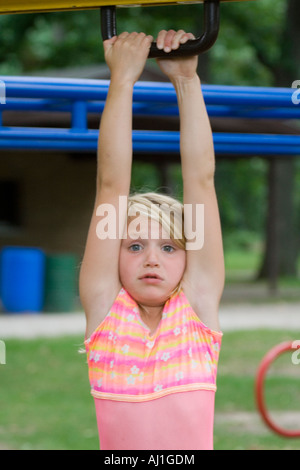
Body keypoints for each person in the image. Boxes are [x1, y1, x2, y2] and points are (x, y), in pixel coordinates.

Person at [80, 29, 225, 450]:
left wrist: (186, 80)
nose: (151, 260)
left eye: (168, 247)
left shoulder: (195, 310)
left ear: (187, 258)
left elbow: (200, 178)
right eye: (135, 245)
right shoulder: (106, 309)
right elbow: (111, 185)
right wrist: (122, 80)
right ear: (116, 255)